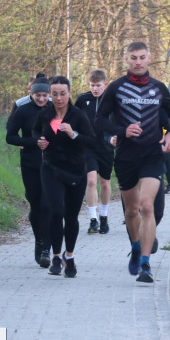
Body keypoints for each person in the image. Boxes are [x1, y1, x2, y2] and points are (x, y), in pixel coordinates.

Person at [95, 42, 170, 284]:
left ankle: (145, 263)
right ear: (127, 60)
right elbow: (100, 120)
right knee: (131, 211)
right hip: (125, 156)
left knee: (146, 206)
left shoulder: (158, 88)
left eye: (142, 57)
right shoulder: (117, 88)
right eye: (134, 57)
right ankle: (135, 246)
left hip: (152, 154)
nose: (139, 61)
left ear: (150, 58)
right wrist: (122, 130)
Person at [34, 75, 94, 278]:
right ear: (50, 95)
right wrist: (40, 141)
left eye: (62, 94)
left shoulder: (78, 115)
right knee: (56, 210)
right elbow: (35, 132)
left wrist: (73, 134)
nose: (58, 98)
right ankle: (56, 256)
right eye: (55, 94)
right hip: (51, 169)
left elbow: (90, 141)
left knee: (71, 216)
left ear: (69, 94)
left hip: (75, 170)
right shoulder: (45, 114)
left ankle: (70, 256)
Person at [6, 73, 52, 267]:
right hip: (30, 164)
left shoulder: (56, 109)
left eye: (45, 95)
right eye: (37, 95)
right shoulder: (23, 110)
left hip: (53, 164)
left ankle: (46, 249)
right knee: (35, 205)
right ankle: (39, 239)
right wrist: (31, 142)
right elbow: (10, 136)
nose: (41, 99)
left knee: (47, 205)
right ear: (31, 94)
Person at [75, 69, 114, 236]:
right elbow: (73, 118)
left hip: (106, 147)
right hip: (88, 147)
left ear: (105, 84)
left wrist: (114, 136)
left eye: (98, 85)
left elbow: (119, 121)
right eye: (92, 86)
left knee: (104, 182)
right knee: (91, 181)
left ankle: (103, 216)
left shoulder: (113, 101)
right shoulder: (83, 100)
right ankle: (93, 219)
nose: (95, 89)